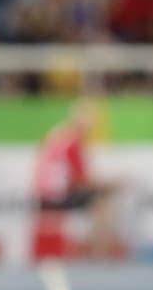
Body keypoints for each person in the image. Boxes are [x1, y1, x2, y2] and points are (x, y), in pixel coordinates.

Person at [32, 99, 123, 258]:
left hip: (46, 193)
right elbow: (80, 181)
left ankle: (93, 248)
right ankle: (97, 253)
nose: (91, 128)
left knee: (99, 196)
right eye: (91, 124)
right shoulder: (71, 142)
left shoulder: (59, 135)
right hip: (55, 196)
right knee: (103, 203)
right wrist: (110, 184)